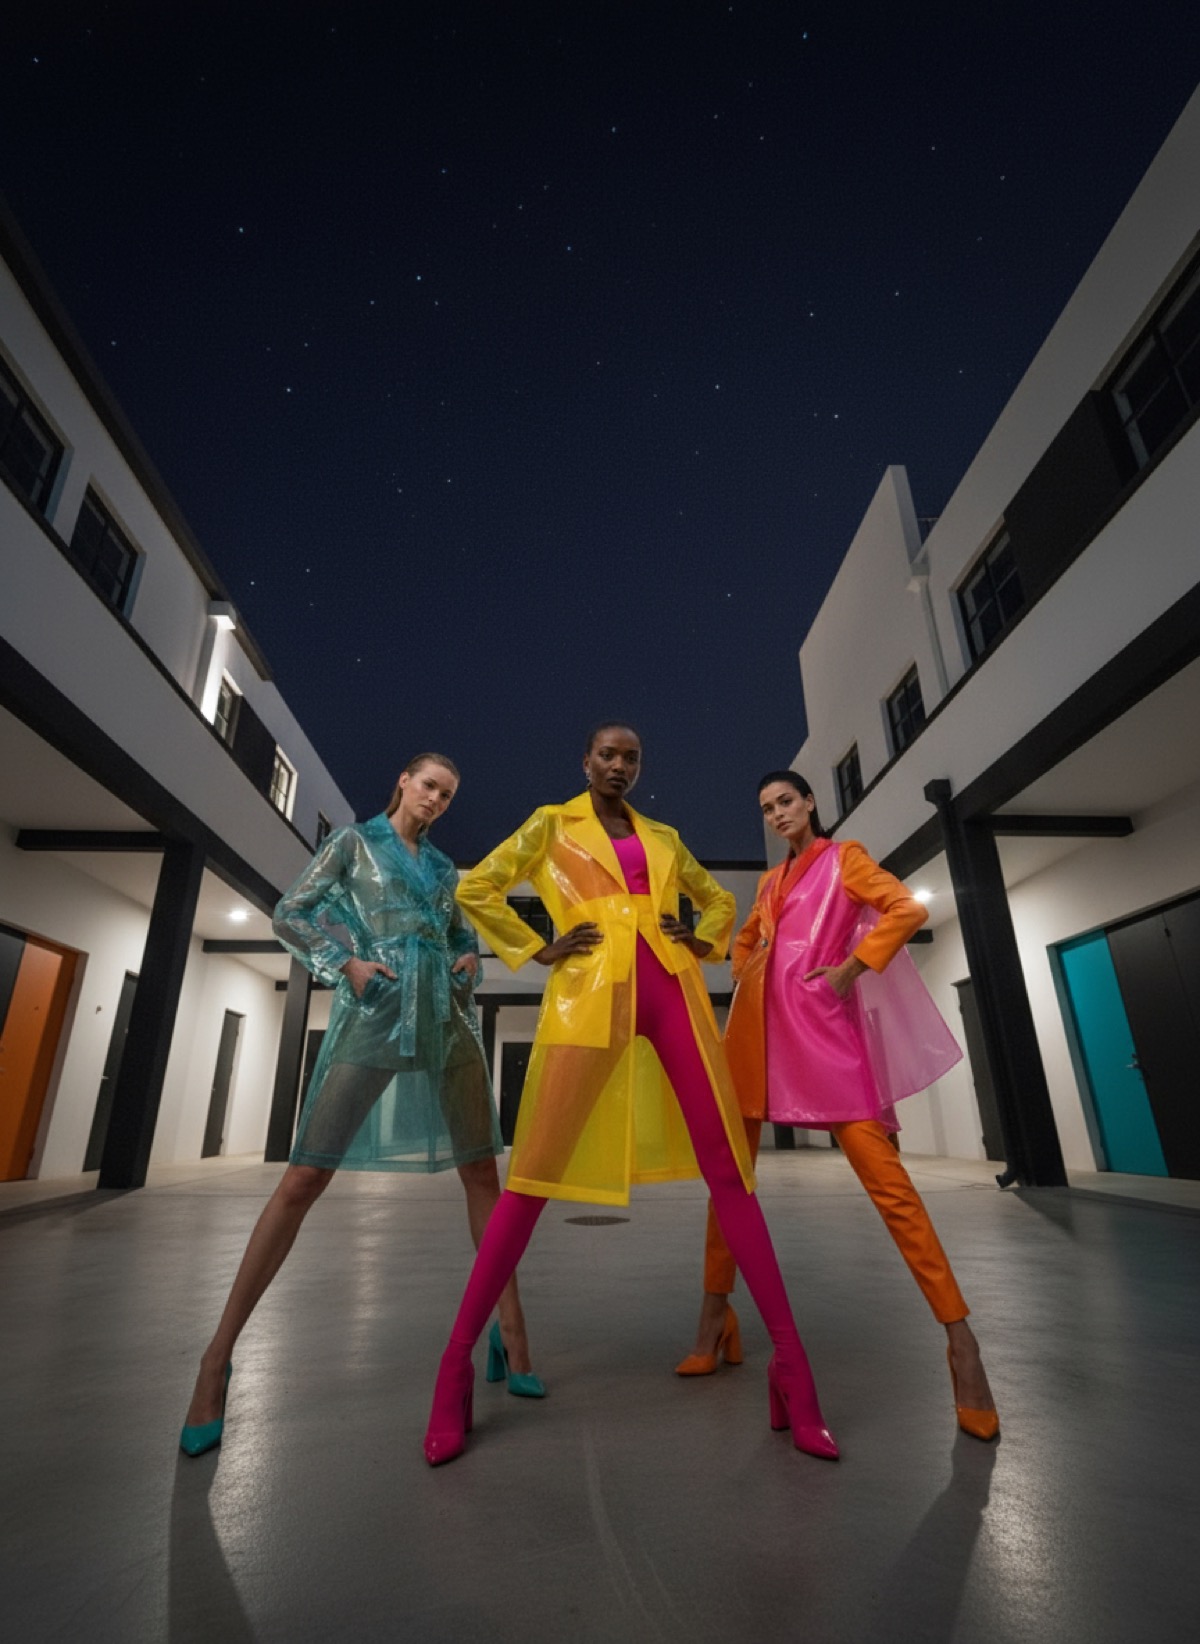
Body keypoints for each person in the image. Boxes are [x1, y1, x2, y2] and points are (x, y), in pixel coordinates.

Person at [422, 724, 837, 1465]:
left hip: (672, 992)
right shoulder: (553, 823)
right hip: (588, 995)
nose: (619, 765)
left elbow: (716, 905)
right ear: (585, 762)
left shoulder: (666, 836)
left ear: (641, 766)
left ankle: (794, 1371)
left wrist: (702, 939)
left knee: (731, 1176)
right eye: (606, 755)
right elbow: (476, 885)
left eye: (631, 757)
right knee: (531, 1178)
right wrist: (534, 945)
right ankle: (452, 1366)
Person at [179, 754, 541, 1458]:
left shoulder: (443, 869)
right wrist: (342, 963)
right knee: (304, 1176)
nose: (438, 799)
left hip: (447, 1017)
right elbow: (292, 913)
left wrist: (471, 960)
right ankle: (215, 1359)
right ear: (403, 781)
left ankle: (513, 1329)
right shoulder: (350, 843)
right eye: (430, 785)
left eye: (449, 793)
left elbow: (462, 933)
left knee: (482, 1177)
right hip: (374, 1010)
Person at [678, 769, 998, 1441]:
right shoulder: (768, 885)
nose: (777, 814)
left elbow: (905, 908)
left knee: (891, 1186)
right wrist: (746, 965)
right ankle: (714, 1317)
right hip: (756, 1038)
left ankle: (961, 1344)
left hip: (825, 1038)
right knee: (728, 1178)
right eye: (766, 808)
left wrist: (851, 968)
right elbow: (746, 941)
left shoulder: (844, 859)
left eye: (786, 801)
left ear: (810, 802)